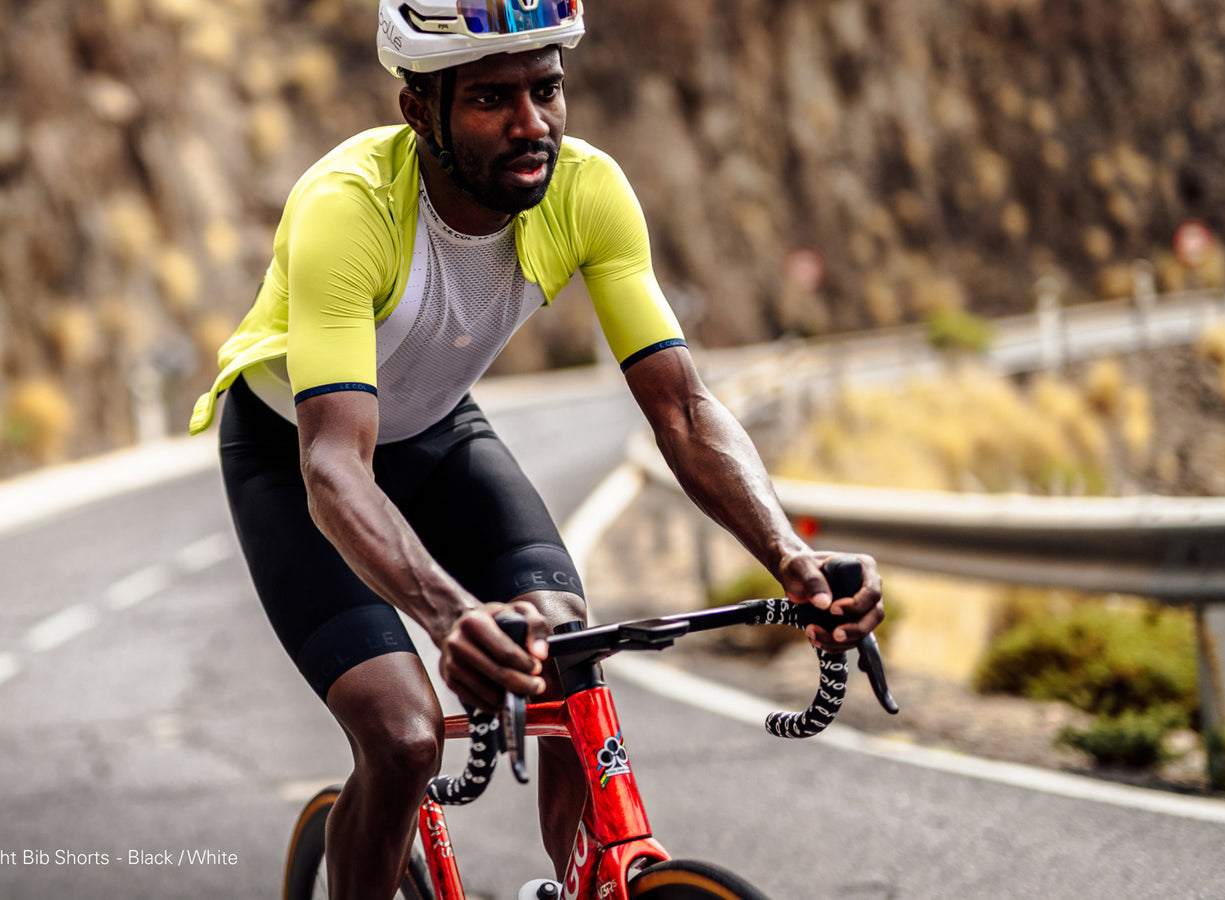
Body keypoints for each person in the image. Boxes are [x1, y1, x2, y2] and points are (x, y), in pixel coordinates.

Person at [188, 1, 884, 895]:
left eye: (546, 89)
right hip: (301, 458)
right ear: (418, 110)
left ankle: (587, 877)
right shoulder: (347, 208)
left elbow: (683, 410)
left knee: (566, 647)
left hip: (435, 431)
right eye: (489, 98)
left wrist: (789, 555)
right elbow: (332, 470)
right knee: (402, 739)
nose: (532, 125)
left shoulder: (588, 190)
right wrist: (449, 615)